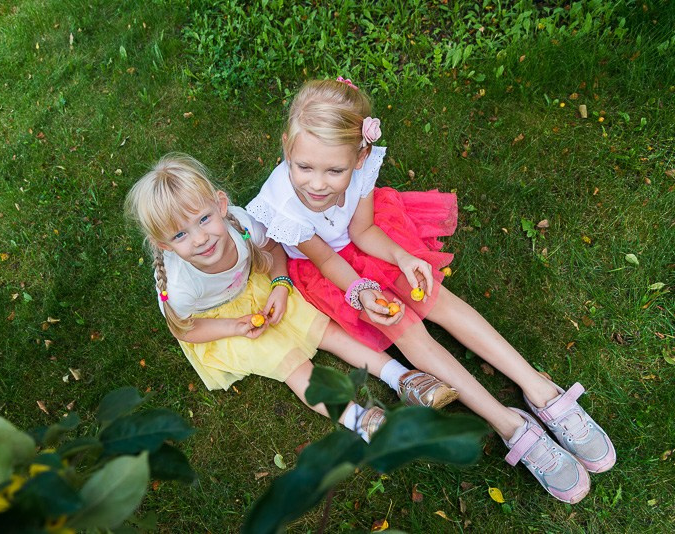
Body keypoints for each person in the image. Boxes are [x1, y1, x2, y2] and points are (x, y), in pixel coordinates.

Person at [245, 78, 615, 503]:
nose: (317, 184)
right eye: (304, 167)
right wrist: (363, 290)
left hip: (365, 242)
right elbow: (329, 261)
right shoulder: (283, 204)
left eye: (335, 170)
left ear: (360, 156)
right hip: (330, 269)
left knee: (434, 298)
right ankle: (509, 423)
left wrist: (402, 257)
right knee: (404, 328)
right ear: (286, 146)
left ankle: (540, 389)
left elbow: (363, 230)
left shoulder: (363, 165)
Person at [124, 153, 458, 443]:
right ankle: (358, 419)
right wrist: (233, 327)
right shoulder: (180, 289)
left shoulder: (240, 223)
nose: (200, 239)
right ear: (164, 245)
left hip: (259, 285)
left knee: (325, 330)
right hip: (217, 322)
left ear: (221, 205)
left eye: (204, 219)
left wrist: (281, 285)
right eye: (180, 234)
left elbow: (270, 247)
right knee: (292, 363)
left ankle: (403, 378)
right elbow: (184, 329)